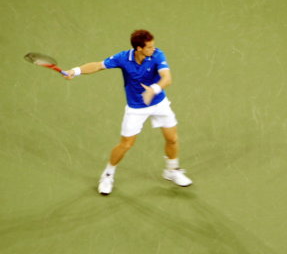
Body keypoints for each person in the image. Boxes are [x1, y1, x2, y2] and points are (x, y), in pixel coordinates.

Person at [64, 29, 192, 195]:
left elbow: (167, 78)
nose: (153, 49)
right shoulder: (123, 58)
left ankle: (172, 170)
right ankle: (107, 175)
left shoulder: (158, 55)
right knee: (126, 144)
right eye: (149, 47)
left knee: (172, 139)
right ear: (139, 48)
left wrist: (153, 89)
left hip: (159, 104)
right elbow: (98, 65)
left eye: (153, 46)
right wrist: (76, 71)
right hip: (136, 108)